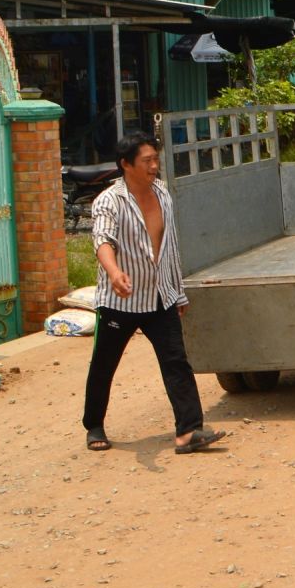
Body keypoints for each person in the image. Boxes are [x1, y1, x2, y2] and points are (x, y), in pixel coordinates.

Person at [82, 132, 228, 455]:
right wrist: (114, 272)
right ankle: (94, 424)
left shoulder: (162, 193)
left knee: (176, 360)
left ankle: (189, 432)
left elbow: (170, 248)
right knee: (104, 364)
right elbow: (102, 241)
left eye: (155, 159)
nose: (153, 166)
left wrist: (178, 294)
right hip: (120, 300)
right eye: (146, 161)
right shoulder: (109, 201)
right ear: (126, 165)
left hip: (160, 296)